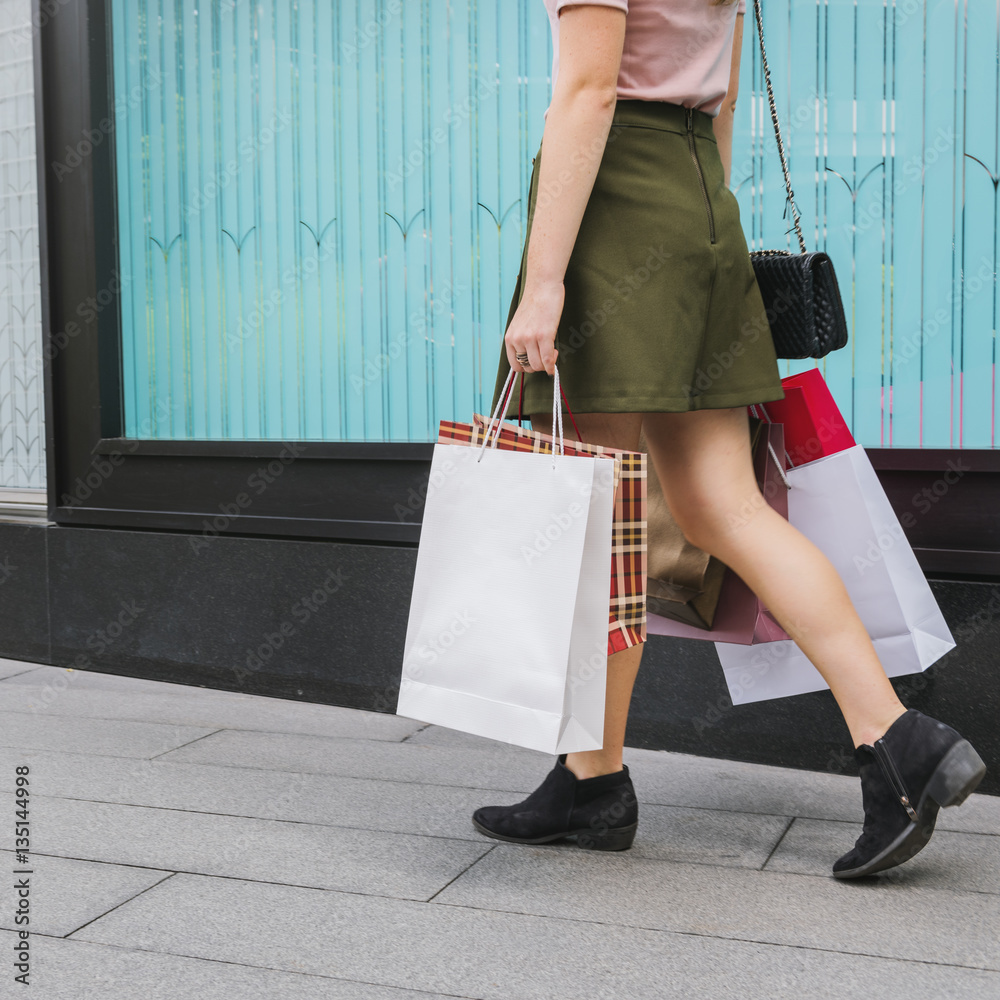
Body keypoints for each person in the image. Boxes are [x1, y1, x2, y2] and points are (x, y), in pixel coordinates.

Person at [470, 0, 986, 879]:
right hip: (702, 209)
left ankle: (594, 779)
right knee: (724, 506)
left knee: (605, 521)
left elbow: (589, 95)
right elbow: (726, 102)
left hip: (618, 212)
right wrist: (698, 227)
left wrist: (547, 282)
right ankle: (896, 736)